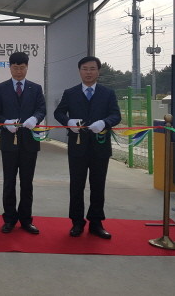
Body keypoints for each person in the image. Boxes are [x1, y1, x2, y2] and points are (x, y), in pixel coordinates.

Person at [53, 56, 121, 239]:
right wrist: (69, 122)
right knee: (77, 185)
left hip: (100, 146)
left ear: (98, 71)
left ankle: (96, 223)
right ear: (79, 71)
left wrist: (104, 122)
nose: (88, 72)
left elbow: (116, 115)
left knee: (98, 185)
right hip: (77, 145)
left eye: (92, 69)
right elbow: (58, 112)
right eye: (85, 69)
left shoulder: (107, 93)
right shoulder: (70, 93)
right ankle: (77, 222)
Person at [0, 51, 46, 234]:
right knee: (9, 182)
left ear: (27, 67)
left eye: (22, 67)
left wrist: (35, 118)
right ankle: (9, 219)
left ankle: (26, 220)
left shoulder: (35, 88)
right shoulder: (1, 88)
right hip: (9, 142)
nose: (19, 71)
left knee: (27, 182)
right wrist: (5, 122)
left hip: (30, 142)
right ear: (10, 68)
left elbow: (41, 109)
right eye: (15, 67)